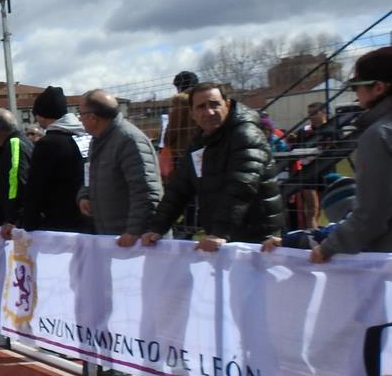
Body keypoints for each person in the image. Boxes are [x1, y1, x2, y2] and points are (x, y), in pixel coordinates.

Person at [143, 83, 283, 249]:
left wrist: (220, 232)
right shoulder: (199, 142)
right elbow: (179, 188)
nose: (209, 112)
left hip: (256, 237)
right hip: (223, 235)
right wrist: (157, 227)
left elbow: (242, 186)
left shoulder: (245, 134)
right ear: (192, 113)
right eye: (201, 107)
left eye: (214, 104)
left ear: (227, 104)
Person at [305, 47, 392, 260]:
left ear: (378, 88)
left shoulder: (378, 135)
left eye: (356, 86)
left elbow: (372, 214)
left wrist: (328, 248)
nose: (356, 94)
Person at [76, 90, 162, 246]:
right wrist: (85, 195)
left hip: (137, 242)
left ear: (93, 117)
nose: (79, 119)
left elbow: (146, 191)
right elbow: (90, 174)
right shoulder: (97, 141)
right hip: (113, 236)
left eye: (80, 114)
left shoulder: (129, 141)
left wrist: (134, 231)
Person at [22, 86, 91, 233]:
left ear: (42, 115)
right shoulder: (86, 136)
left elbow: (36, 186)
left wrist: (29, 222)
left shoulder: (48, 144)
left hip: (60, 222)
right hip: (90, 216)